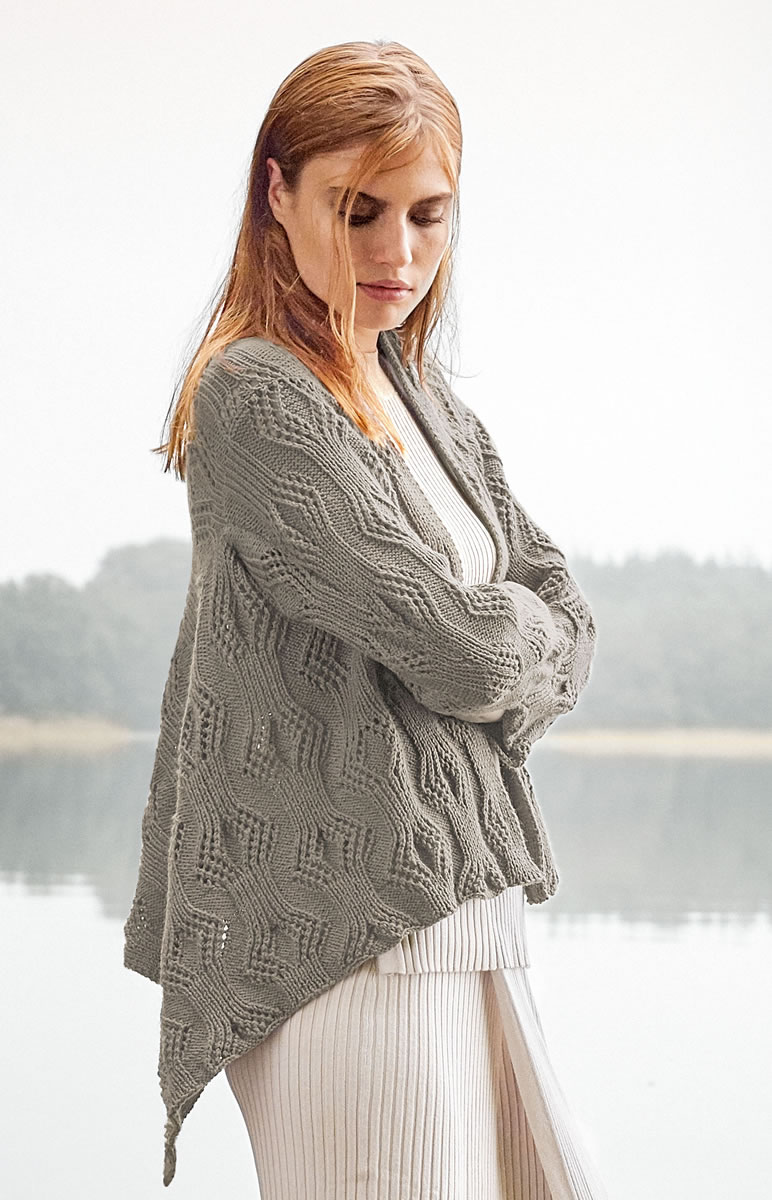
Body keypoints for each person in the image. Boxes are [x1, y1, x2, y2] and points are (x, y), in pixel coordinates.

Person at [123, 38, 609, 1199]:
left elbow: (569, 618)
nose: (398, 253)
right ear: (277, 193)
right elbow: (458, 648)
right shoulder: (257, 394)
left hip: (467, 917)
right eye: (359, 211)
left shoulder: (426, 400)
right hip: (343, 941)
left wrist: (511, 631)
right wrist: (513, 632)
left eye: (428, 215)